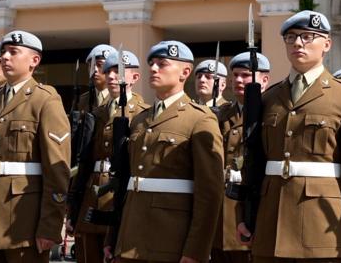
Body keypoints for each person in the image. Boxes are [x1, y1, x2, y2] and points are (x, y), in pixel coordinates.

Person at [236, 10, 341, 263]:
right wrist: (243, 215)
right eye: (291, 37)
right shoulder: (268, 98)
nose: (298, 43)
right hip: (270, 227)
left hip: (321, 231)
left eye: (308, 36)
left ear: (327, 45)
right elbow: (252, 161)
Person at [111, 40, 224, 263]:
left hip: (170, 240)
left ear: (185, 72)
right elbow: (124, 184)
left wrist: (196, 251)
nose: (153, 68)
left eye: (162, 64)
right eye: (151, 63)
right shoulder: (140, 119)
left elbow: (209, 193)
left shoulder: (200, 119)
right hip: (129, 239)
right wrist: (113, 238)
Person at [0, 30, 71, 262]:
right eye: (3, 52)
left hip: (23, 223)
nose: (4, 57)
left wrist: (50, 227)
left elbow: (57, 171)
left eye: (13, 52)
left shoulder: (45, 100)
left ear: (34, 60)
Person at [70, 49, 148, 263]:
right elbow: (83, 161)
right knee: (87, 254)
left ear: (134, 77)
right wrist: (73, 207)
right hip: (91, 195)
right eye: (108, 71)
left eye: (118, 71)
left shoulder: (143, 114)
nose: (112, 76)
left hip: (119, 197)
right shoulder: (96, 113)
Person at [212, 51, 270, 263]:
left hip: (250, 203)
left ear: (264, 80)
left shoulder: (270, 111)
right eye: (234, 75)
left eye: (245, 75)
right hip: (221, 203)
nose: (238, 80)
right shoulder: (221, 114)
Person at [78, 44, 117, 113]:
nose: (95, 69)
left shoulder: (123, 98)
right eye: (91, 65)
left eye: (100, 65)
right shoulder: (83, 99)